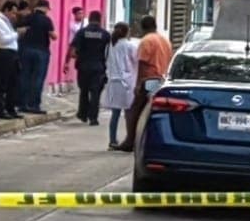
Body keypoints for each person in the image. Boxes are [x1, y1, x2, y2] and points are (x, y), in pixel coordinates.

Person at [113, 15, 173, 152]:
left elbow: (143, 64)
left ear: (143, 27)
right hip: (161, 80)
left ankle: (130, 140)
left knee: (132, 109)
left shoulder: (147, 41)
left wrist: (139, 84)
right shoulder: (165, 40)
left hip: (149, 80)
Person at [69, 10, 111, 126]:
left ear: (90, 18)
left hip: (83, 66)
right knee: (95, 93)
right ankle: (93, 118)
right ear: (100, 19)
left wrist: (71, 60)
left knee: (84, 90)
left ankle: (82, 114)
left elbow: (72, 50)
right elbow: (110, 51)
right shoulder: (105, 34)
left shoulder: (82, 32)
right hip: (98, 67)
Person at [101, 22, 138, 149]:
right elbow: (136, 61)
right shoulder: (129, 46)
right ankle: (130, 139)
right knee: (130, 114)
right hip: (127, 83)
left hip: (113, 82)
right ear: (127, 32)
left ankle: (112, 140)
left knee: (115, 114)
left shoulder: (109, 46)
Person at [19, 0, 57, 114]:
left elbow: (18, 29)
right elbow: (53, 36)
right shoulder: (46, 20)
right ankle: (34, 105)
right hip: (41, 51)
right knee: (38, 78)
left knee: (24, 76)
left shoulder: (28, 18)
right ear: (45, 8)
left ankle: (22, 104)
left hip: (26, 50)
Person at [0, 0, 25, 120]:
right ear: (6, 10)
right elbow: (4, 40)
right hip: (3, 54)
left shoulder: (7, 22)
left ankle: (10, 108)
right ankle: (0, 109)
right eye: (13, 13)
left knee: (13, 83)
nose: (14, 16)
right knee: (2, 83)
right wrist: (17, 34)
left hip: (12, 54)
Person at [63, 6, 87, 76]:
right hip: (78, 47)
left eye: (82, 13)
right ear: (75, 15)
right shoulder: (72, 25)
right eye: (79, 13)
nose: (81, 15)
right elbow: (71, 41)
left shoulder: (87, 22)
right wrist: (67, 62)